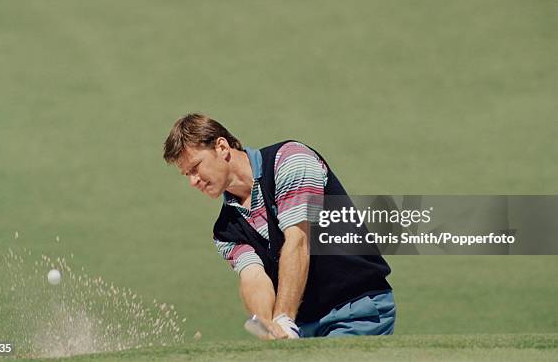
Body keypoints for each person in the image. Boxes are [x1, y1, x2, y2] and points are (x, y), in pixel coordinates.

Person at [163, 114, 395, 339]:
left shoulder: (290, 160)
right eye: (186, 175)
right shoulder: (225, 232)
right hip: (304, 326)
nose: (193, 181)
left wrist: (284, 318)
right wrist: (271, 328)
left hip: (355, 310)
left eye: (195, 167)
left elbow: (298, 240)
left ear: (221, 147)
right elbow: (254, 277)